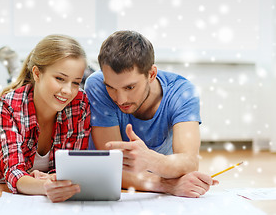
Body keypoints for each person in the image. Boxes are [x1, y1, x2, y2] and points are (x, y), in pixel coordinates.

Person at [84, 30, 218, 198]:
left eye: (130, 87)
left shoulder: (183, 92)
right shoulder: (97, 85)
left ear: (151, 74)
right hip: (105, 179)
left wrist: (150, 160)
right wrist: (166, 184)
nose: (120, 99)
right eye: (111, 87)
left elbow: (189, 163)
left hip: (145, 179)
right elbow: (111, 166)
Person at [0, 34, 91, 202]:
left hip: (37, 102)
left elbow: (73, 166)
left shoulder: (80, 104)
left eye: (76, 82)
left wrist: (53, 179)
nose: (67, 90)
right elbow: (13, 172)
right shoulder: (7, 106)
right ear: (36, 73)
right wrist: (46, 187)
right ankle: (14, 70)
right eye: (60, 78)